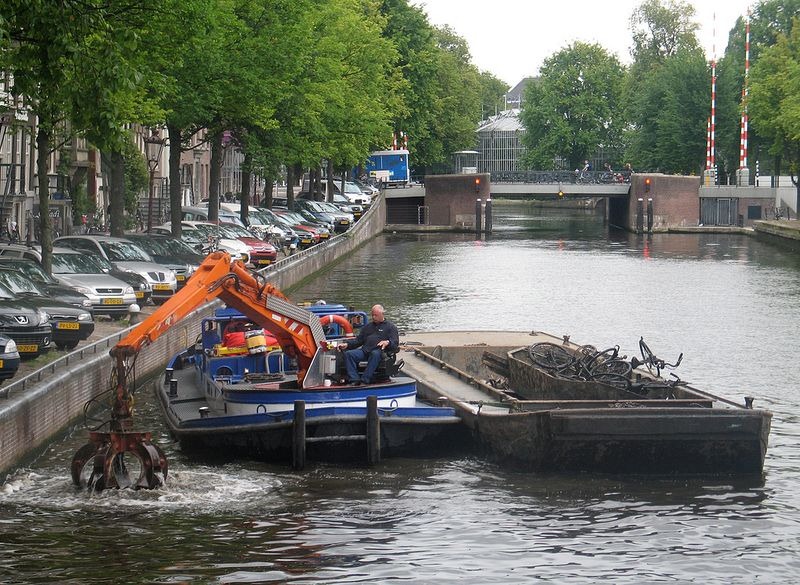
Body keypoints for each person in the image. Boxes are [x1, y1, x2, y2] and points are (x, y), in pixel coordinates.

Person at [337, 304, 399, 385]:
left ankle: (365, 380)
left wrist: (387, 342)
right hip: (365, 351)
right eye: (372, 315)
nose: (373, 317)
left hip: (380, 352)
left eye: (376, 315)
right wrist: (347, 344)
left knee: (375, 354)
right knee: (349, 354)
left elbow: (395, 343)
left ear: (382, 314)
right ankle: (354, 379)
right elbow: (358, 340)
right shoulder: (368, 327)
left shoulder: (390, 327)